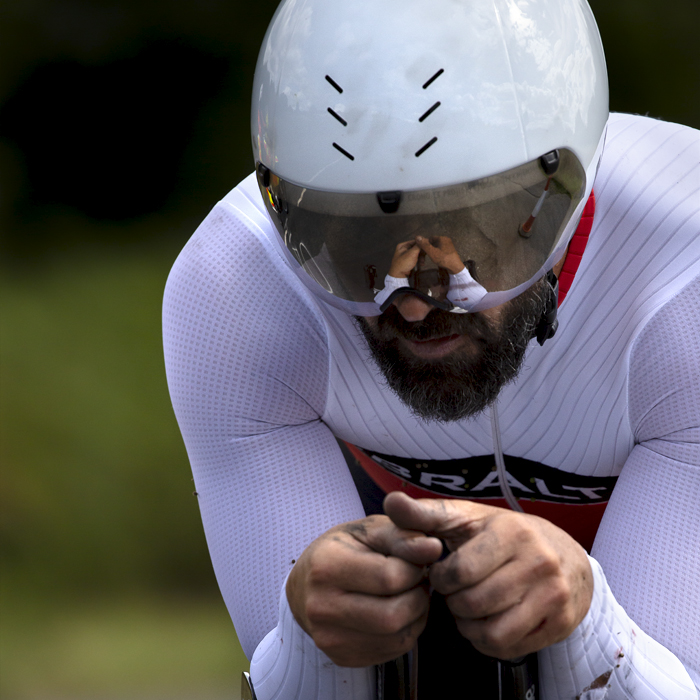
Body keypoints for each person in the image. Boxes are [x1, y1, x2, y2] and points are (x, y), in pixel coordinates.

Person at [162, 0, 700, 697]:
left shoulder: (683, 276)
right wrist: (308, 641)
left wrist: (587, 617)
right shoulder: (236, 289)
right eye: (352, 244)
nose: (415, 301)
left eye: (472, 236)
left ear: (562, 194)